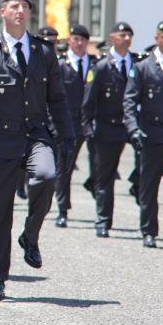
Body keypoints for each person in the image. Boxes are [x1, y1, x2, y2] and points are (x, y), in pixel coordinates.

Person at [0, 0, 75, 301]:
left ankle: (31, 236)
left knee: (47, 176)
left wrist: (67, 135)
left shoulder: (43, 52)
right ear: (3, 12)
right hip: (0, 140)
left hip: (35, 135)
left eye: (25, 6)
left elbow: (58, 99)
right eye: (15, 6)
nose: (21, 11)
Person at [123, 21, 163, 248]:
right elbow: (129, 101)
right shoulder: (143, 67)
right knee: (148, 184)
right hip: (151, 131)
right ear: (157, 38)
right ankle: (149, 230)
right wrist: (133, 129)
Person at [82, 21, 145, 238]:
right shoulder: (101, 66)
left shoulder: (138, 63)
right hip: (107, 127)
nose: (126, 38)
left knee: (147, 171)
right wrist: (88, 129)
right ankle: (103, 221)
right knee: (105, 177)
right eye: (122, 34)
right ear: (112, 37)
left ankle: (147, 225)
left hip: (132, 125)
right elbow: (88, 102)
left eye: (129, 35)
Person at [53, 24, 98, 228]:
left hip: (91, 122)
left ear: (87, 42)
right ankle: (63, 209)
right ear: (69, 40)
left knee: (100, 165)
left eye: (83, 39)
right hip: (67, 124)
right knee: (64, 168)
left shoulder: (95, 65)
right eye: (75, 39)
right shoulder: (61, 65)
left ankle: (96, 192)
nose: (79, 43)